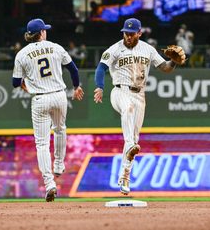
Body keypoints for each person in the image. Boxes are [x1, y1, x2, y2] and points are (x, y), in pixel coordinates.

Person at [93, 18, 184, 195]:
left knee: (135, 140)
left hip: (139, 95)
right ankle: (129, 144)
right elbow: (100, 68)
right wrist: (99, 87)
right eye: (125, 33)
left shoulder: (148, 49)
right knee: (128, 110)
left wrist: (173, 62)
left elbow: (164, 68)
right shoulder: (115, 49)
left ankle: (124, 178)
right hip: (119, 91)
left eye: (131, 33)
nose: (128, 36)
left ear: (139, 33)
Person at [12, 18, 84, 202]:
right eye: (45, 30)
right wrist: (76, 87)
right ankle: (59, 164)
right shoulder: (56, 47)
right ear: (41, 33)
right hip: (59, 96)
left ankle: (49, 183)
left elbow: (15, 82)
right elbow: (73, 69)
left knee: (42, 144)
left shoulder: (21, 54)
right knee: (60, 130)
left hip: (40, 99)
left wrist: (26, 86)